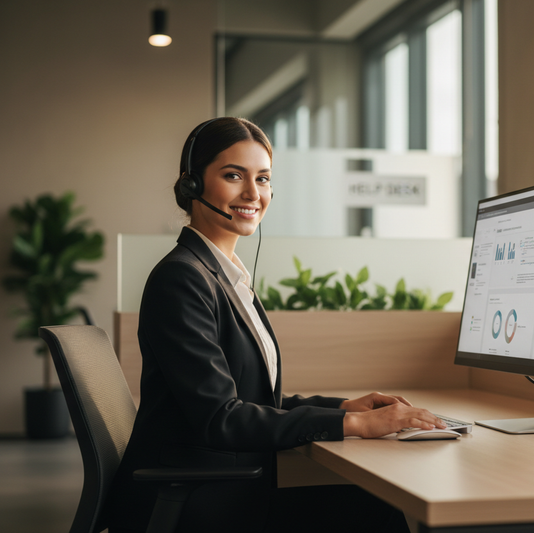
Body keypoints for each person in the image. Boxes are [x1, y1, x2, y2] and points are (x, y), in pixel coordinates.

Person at [107, 117, 446, 533]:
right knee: (379, 507)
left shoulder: (223, 276)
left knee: (374, 503)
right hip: (202, 501)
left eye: (263, 179)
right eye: (234, 176)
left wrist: (341, 407)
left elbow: (252, 399)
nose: (253, 194)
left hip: (226, 482)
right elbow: (222, 418)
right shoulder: (181, 280)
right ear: (191, 185)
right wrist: (356, 426)